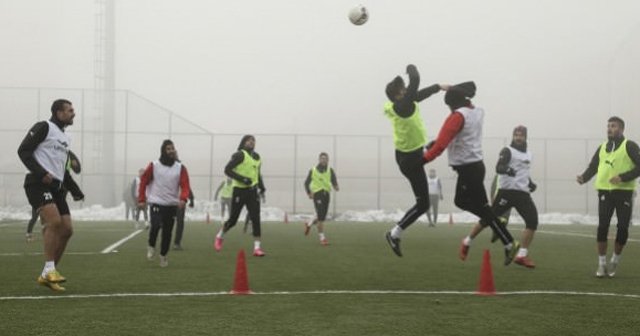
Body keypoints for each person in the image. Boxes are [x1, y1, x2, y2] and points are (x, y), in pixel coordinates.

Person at [423, 82, 520, 266]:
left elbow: (443, 143)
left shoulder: (457, 116)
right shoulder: (477, 111)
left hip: (468, 169)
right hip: (475, 166)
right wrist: (451, 88)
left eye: (450, 106)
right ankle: (506, 239)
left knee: (464, 202)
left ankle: (499, 227)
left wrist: (423, 160)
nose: (449, 109)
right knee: (472, 204)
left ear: (455, 104)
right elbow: (470, 87)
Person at [17, 99, 85, 292]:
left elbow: (62, 170)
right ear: (58, 112)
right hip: (37, 183)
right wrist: (41, 172)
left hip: (56, 187)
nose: (73, 113)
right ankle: (48, 270)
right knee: (54, 222)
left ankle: (49, 272)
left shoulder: (65, 138)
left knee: (67, 230)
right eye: (70, 110)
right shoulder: (44, 127)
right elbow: (23, 151)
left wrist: (75, 190)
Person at [383, 64, 448, 257]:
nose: (406, 91)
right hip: (410, 160)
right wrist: (411, 68)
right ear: (397, 96)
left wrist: (438, 87)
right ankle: (394, 234)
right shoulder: (402, 106)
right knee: (423, 204)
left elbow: (417, 94)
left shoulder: (405, 103)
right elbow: (416, 81)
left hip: (410, 155)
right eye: (402, 90)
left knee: (423, 203)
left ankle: (395, 233)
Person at [457, 126, 539, 268]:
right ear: (513, 136)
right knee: (488, 219)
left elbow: (523, 171)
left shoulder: (529, 155)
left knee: (532, 221)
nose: (518, 138)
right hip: (506, 192)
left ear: (526, 137)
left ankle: (521, 255)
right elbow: (499, 167)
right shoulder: (507, 150)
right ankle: (467, 242)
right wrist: (507, 169)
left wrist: (530, 183)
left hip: (522, 194)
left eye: (521, 135)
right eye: (516, 135)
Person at [577, 116, 640, 278]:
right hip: (605, 192)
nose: (609, 129)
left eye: (613, 126)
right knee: (602, 227)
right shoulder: (603, 147)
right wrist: (584, 177)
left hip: (624, 193)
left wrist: (623, 177)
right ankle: (601, 264)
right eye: (608, 126)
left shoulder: (630, 146)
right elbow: (593, 167)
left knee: (623, 228)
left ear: (621, 129)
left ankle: (615, 261)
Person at [137, 140, 191, 267]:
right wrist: (141, 199)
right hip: (156, 203)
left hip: (171, 205)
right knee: (155, 226)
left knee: (167, 232)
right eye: (168, 149)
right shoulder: (154, 165)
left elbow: (185, 185)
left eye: (172, 148)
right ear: (163, 151)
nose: (171, 151)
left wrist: (183, 198)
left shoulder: (180, 168)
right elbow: (144, 181)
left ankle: (163, 255)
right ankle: (151, 245)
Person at [214, 135, 267, 257]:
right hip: (239, 191)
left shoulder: (257, 157)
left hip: (253, 192)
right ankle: (220, 236)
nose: (251, 142)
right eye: (248, 140)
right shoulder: (239, 155)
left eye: (253, 140)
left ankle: (257, 248)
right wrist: (242, 179)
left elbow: (258, 174)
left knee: (255, 218)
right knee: (233, 220)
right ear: (243, 142)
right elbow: (227, 170)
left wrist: (262, 187)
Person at [26, 150, 81, 243]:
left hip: (61, 187)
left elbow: (77, 170)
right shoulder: (46, 151)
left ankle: (51, 233)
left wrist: (75, 165)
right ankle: (29, 233)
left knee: (57, 214)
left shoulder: (69, 154)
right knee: (37, 213)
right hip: (45, 185)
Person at [303, 152, 340, 245]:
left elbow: (334, 181)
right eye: (322, 158)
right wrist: (309, 192)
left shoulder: (330, 170)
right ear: (319, 159)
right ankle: (322, 238)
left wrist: (336, 186)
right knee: (320, 218)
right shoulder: (313, 170)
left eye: (325, 158)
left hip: (326, 195)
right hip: (317, 194)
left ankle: (309, 223)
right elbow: (306, 183)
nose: (323, 160)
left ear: (328, 160)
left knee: (322, 217)